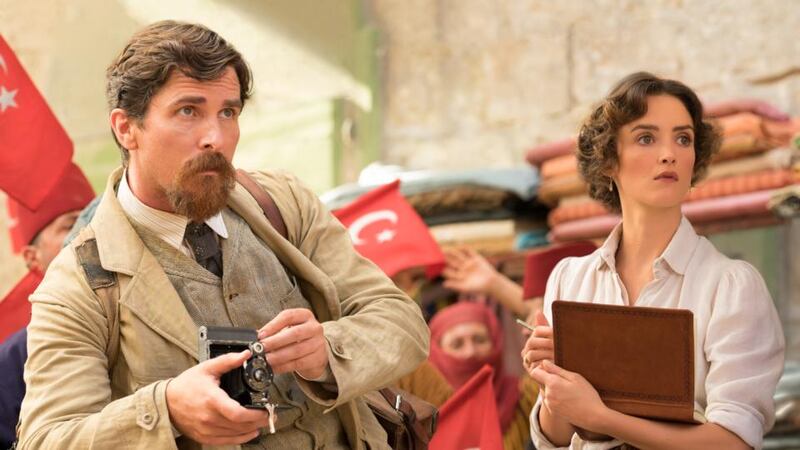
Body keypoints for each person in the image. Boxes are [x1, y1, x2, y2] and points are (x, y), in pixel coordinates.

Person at [16, 21, 428, 449]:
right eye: (188, 111)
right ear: (126, 128)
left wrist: (327, 349)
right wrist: (167, 409)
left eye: (228, 112)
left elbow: (401, 322)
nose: (215, 137)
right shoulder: (79, 282)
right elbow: (47, 439)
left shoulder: (282, 203)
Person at [522, 72, 785, 449]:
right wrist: (550, 384)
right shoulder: (570, 279)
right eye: (646, 138)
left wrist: (601, 416)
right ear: (609, 160)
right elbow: (557, 438)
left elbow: (734, 442)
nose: (669, 153)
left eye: (683, 138)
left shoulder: (730, 285)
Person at [0, 161, 95, 449]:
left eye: (92, 220)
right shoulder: (11, 361)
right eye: (69, 226)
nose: (85, 234)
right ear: (32, 257)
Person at [429, 301, 539, 450]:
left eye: (479, 340)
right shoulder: (426, 414)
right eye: (457, 344)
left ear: (496, 343)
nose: (470, 352)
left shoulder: (525, 397)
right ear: (438, 354)